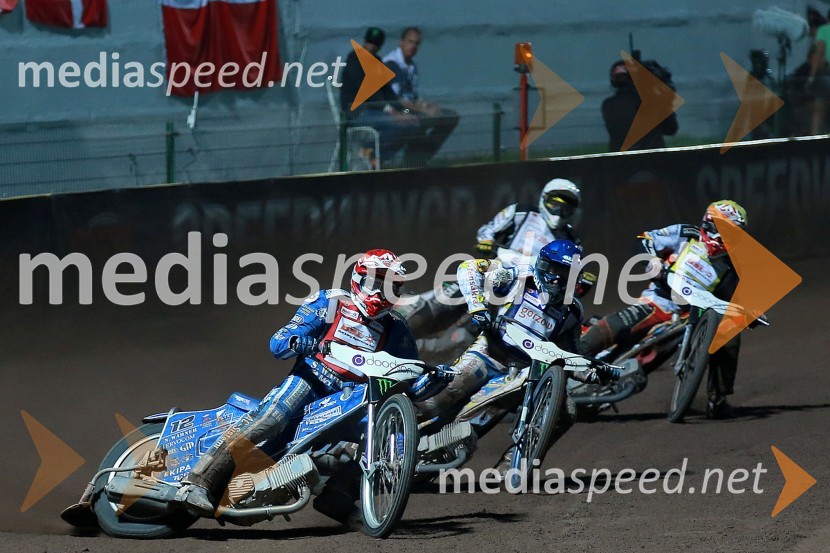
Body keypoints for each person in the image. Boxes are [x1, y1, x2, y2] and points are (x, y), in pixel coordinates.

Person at [176, 249, 418, 516]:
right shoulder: (330, 302)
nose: (381, 294)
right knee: (272, 418)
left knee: (391, 438)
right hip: (311, 378)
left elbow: (408, 373)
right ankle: (198, 481)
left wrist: (434, 375)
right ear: (358, 279)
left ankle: (339, 494)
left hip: (353, 398)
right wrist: (296, 341)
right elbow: (279, 341)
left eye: (390, 288)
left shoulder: (397, 328)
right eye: (376, 283)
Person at [415, 239, 603, 472]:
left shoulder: (573, 311)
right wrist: (478, 307)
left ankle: (512, 466)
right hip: (488, 354)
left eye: (569, 274)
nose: (559, 279)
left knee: (567, 411)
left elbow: (572, 354)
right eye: (556, 271)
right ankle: (386, 433)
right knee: (435, 400)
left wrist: (592, 371)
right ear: (543, 265)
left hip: (524, 375)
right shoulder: (518, 276)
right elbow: (468, 268)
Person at [579, 200, 749, 419]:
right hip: (658, 301)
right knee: (611, 328)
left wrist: (747, 314)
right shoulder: (686, 233)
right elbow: (645, 238)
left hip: (690, 318)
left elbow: (733, 302)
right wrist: (652, 262)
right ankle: (569, 359)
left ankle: (718, 399)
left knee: (729, 334)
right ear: (711, 224)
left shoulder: (734, 266)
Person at [403, 178, 585, 346]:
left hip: (528, 292)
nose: (559, 212)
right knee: (449, 300)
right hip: (499, 273)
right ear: (544, 198)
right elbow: (488, 230)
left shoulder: (572, 240)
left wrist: (580, 281)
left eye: (566, 208)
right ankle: (403, 333)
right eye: (555, 204)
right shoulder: (521, 212)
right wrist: (486, 242)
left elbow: (573, 271)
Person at [339, 27, 420, 165]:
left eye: (375, 44)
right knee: (398, 124)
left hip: (377, 111)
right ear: (364, 41)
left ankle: (377, 157)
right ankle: (368, 148)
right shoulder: (354, 60)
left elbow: (388, 92)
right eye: (370, 42)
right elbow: (368, 94)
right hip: (358, 113)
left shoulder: (377, 61)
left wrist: (405, 111)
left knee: (413, 124)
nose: (371, 46)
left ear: (380, 46)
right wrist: (393, 112)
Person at [383, 27, 459, 167]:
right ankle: (412, 161)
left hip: (409, 108)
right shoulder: (391, 64)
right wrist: (423, 108)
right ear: (401, 42)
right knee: (423, 119)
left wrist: (426, 104)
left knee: (450, 117)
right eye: (410, 42)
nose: (413, 46)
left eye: (417, 43)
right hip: (394, 111)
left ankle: (421, 157)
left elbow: (411, 96)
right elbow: (397, 100)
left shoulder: (412, 66)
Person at [602, 59, 679, 152]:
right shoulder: (649, 102)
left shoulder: (608, 105)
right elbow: (671, 129)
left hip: (621, 162)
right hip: (653, 161)